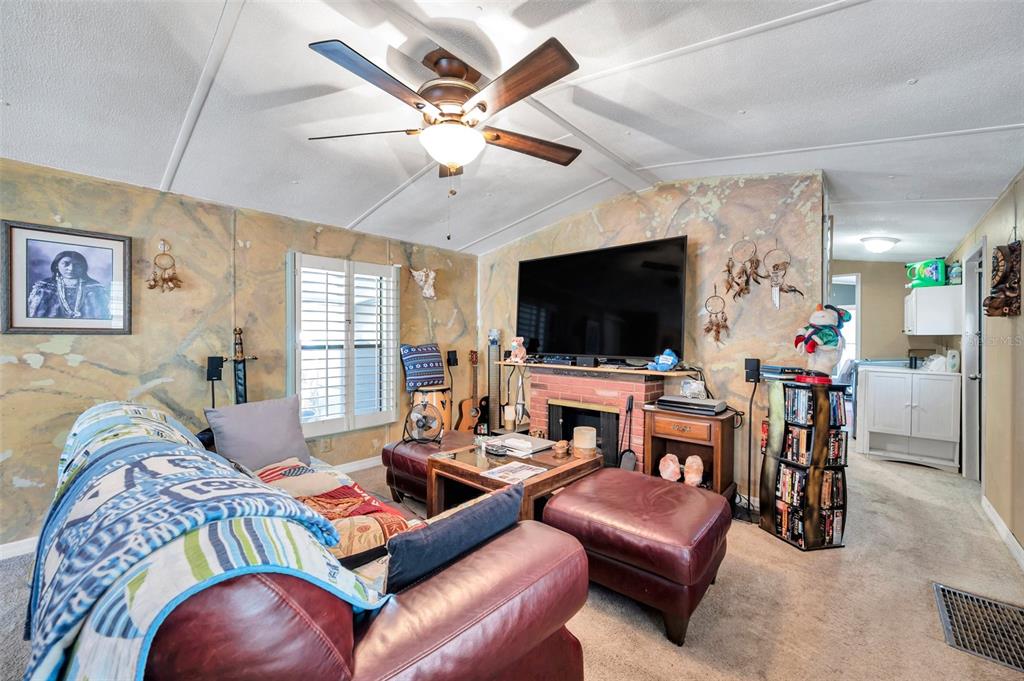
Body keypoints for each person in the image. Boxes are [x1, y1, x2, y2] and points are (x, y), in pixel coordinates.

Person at [27, 250, 111, 319]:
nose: (71, 268)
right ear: (56, 265)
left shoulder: (95, 288)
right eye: (66, 264)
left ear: (83, 267)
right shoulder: (44, 288)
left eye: (77, 265)